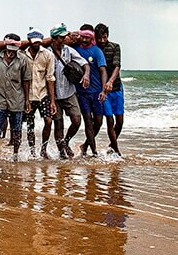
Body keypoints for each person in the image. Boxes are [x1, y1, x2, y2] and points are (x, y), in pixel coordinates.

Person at [0, 33, 31, 161]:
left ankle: (15, 154)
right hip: (0, 98)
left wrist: (27, 100)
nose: (11, 53)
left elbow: (26, 80)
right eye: (9, 50)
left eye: (13, 50)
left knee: (16, 128)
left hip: (17, 98)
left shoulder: (23, 59)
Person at [49, 23, 90, 159]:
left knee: (77, 120)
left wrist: (86, 75)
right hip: (54, 95)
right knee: (58, 124)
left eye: (64, 37)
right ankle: (61, 152)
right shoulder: (47, 53)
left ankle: (66, 141)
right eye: (61, 37)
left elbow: (84, 63)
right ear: (54, 39)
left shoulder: (68, 50)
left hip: (69, 92)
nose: (64, 39)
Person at [73, 23, 107, 157]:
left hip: (96, 92)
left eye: (88, 37)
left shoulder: (97, 51)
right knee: (87, 120)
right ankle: (93, 152)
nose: (85, 40)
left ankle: (85, 145)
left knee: (98, 122)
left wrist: (104, 90)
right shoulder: (75, 49)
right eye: (83, 37)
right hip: (82, 93)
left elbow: (103, 71)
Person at [23, 28, 57, 158]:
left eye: (38, 42)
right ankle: (32, 151)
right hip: (29, 95)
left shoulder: (48, 55)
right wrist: (26, 100)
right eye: (34, 42)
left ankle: (43, 149)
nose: (36, 44)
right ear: (30, 41)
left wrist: (52, 101)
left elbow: (50, 78)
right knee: (30, 124)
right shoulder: (23, 55)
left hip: (43, 94)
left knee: (48, 121)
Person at [95, 23, 124, 157]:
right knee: (109, 120)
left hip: (116, 87)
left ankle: (111, 146)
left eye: (104, 37)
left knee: (119, 121)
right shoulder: (94, 48)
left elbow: (117, 66)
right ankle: (116, 151)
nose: (102, 41)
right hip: (102, 90)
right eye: (99, 38)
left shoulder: (115, 47)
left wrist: (111, 81)